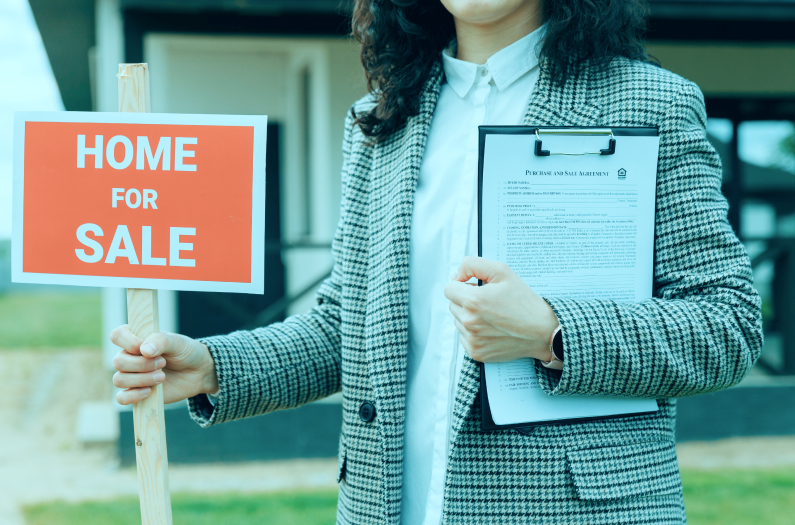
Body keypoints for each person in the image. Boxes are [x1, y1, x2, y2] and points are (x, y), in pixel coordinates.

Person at [110, 0, 763, 523]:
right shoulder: (379, 120)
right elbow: (348, 324)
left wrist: (551, 330)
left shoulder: (650, 104)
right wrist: (215, 364)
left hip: (575, 510)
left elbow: (727, 324)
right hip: (385, 505)